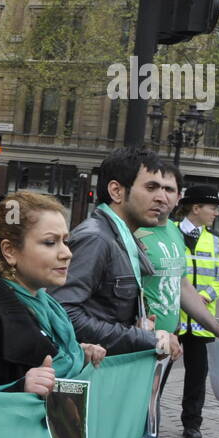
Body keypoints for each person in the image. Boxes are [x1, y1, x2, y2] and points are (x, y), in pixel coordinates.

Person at [0, 192, 105, 393]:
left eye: (65, 241)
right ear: (10, 251)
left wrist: (77, 355)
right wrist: (20, 389)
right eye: (50, 242)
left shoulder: (46, 308)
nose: (67, 253)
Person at [49, 147, 181, 359]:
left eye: (165, 190)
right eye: (151, 187)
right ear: (116, 191)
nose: (162, 198)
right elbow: (62, 312)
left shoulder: (121, 237)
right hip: (93, 373)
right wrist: (144, 338)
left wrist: (141, 327)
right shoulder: (97, 239)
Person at [175, 185, 219, 438]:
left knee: (196, 378)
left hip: (202, 324)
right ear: (195, 208)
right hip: (172, 321)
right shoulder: (170, 236)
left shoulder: (218, 242)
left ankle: (192, 423)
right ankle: (146, 420)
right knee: (157, 376)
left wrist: (204, 297)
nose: (216, 213)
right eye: (212, 208)